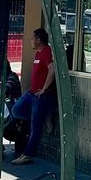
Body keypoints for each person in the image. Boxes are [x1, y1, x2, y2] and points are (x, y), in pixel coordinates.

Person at [9, 28, 56, 165]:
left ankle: (27, 155)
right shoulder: (38, 53)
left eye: (32, 38)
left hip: (41, 95)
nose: (30, 41)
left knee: (36, 127)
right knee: (16, 110)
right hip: (32, 92)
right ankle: (44, 115)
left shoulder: (46, 51)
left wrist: (44, 89)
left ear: (38, 40)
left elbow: (52, 70)